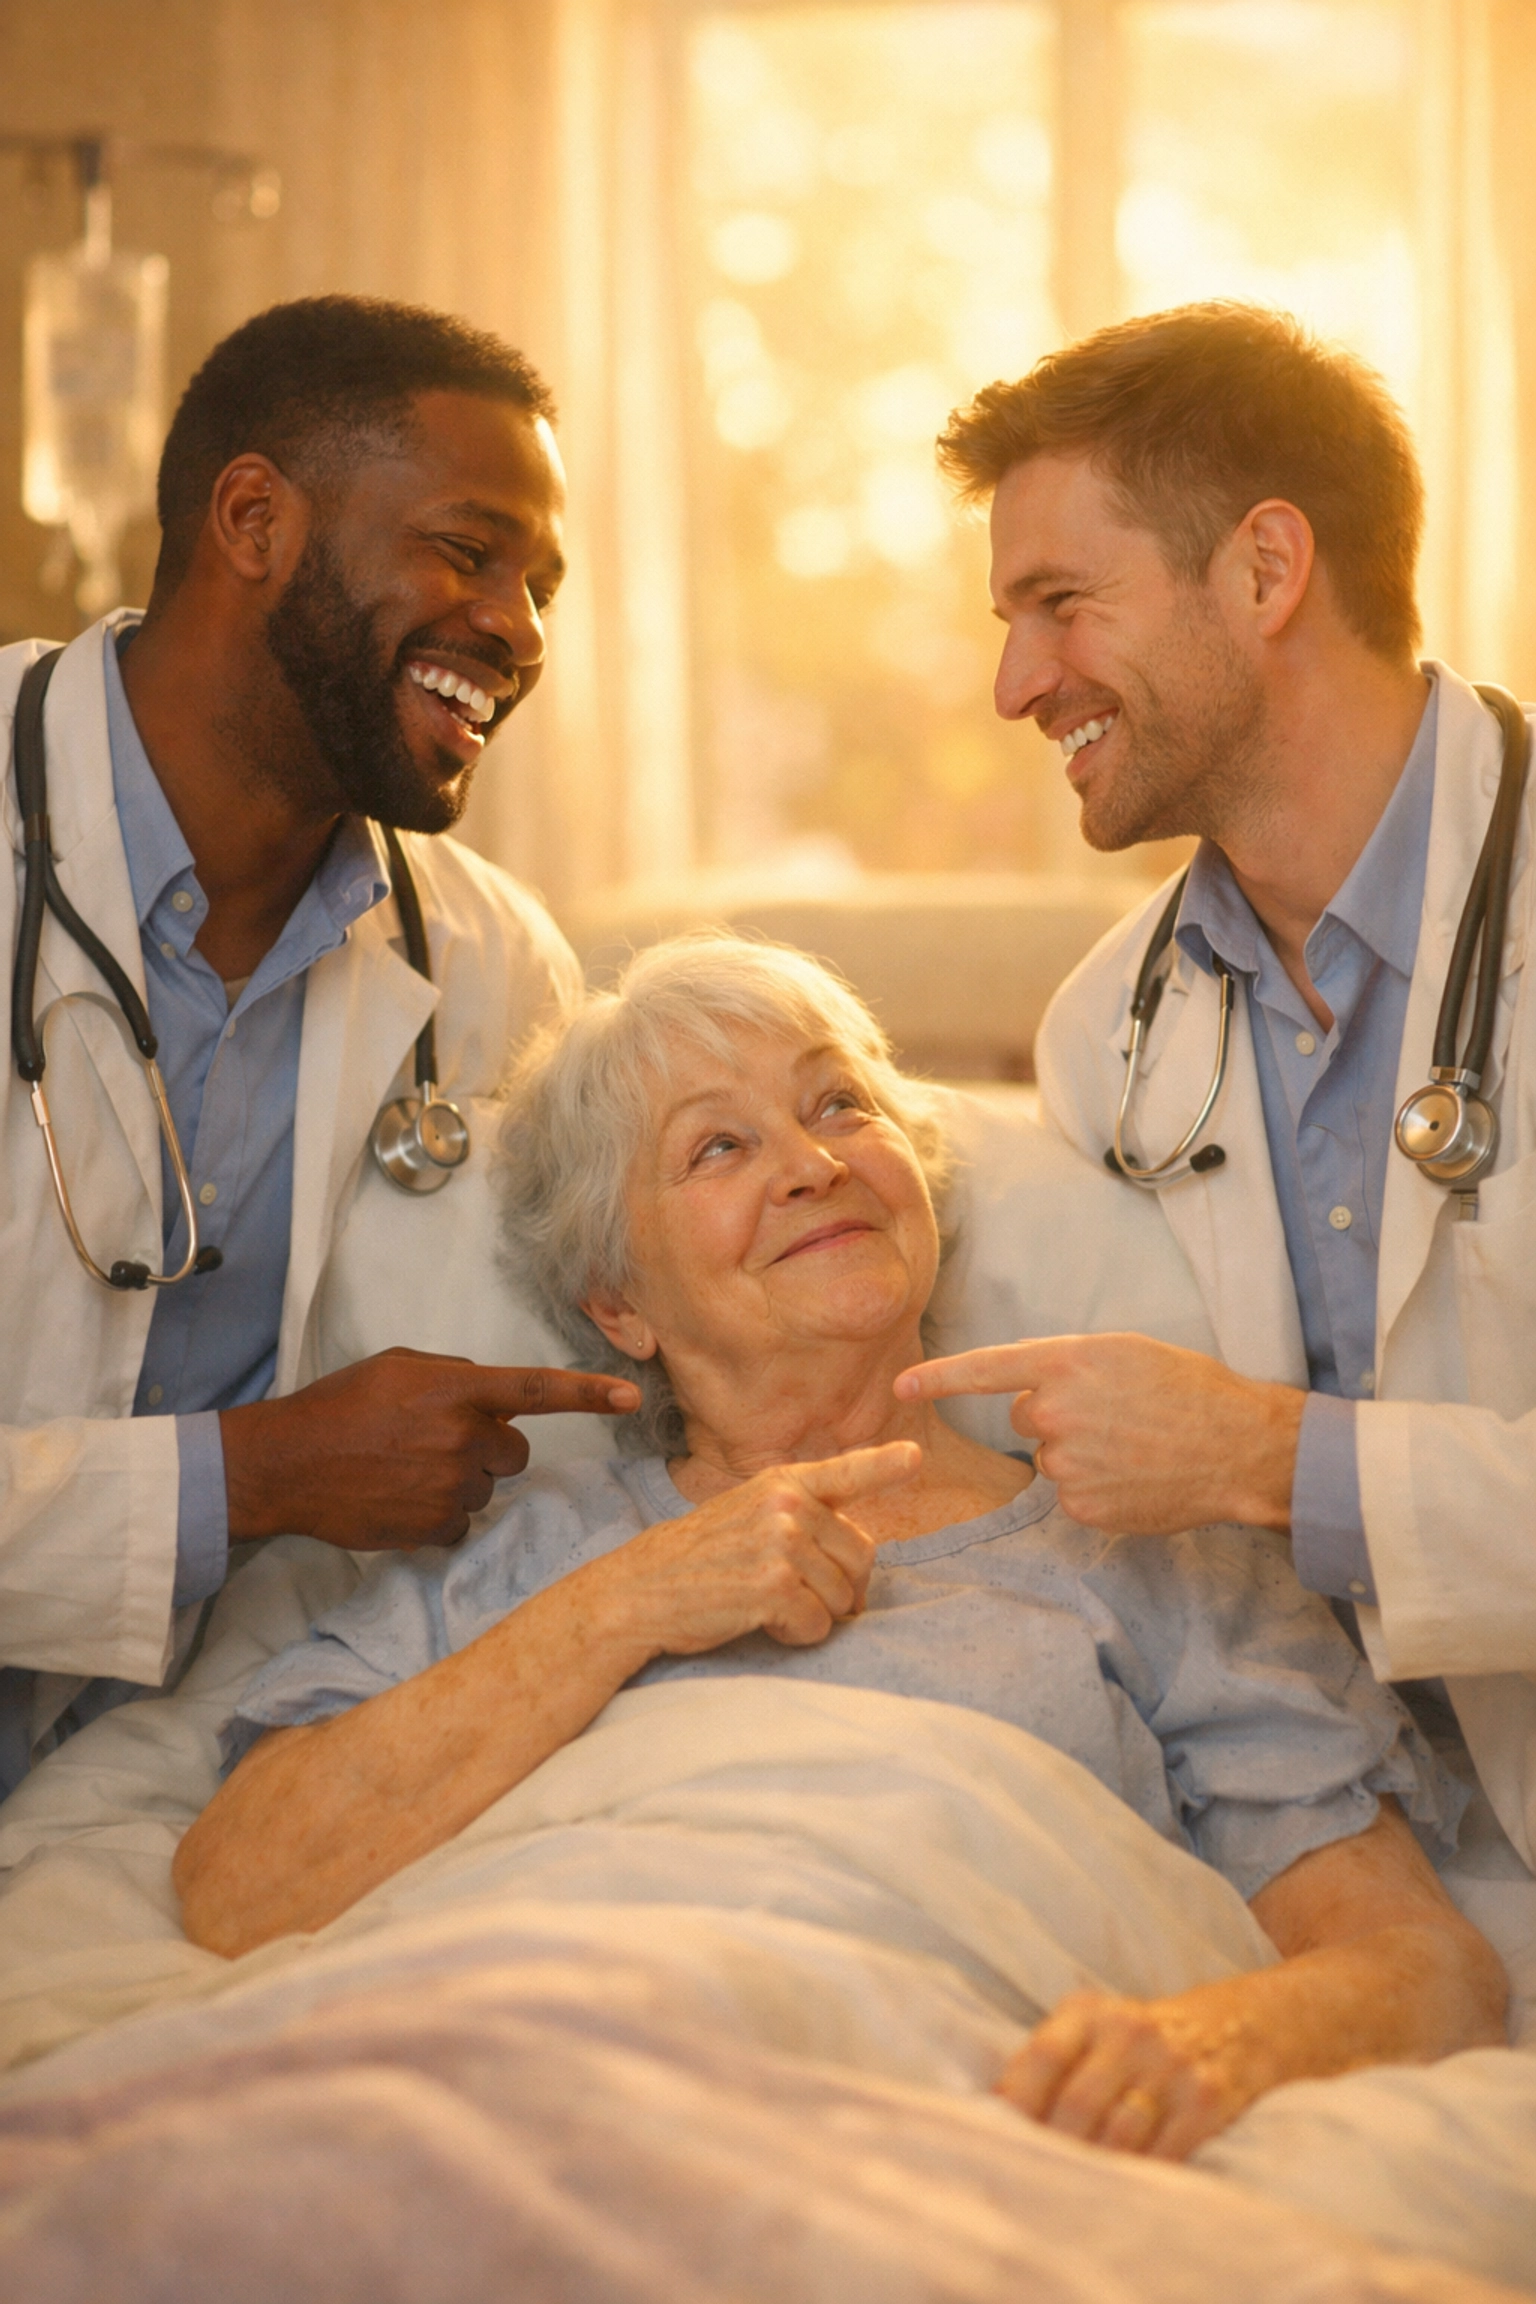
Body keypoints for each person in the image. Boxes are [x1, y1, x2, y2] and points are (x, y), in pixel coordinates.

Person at [175, 936, 1503, 2163]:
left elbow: (1423, 1966)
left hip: (938, 2132)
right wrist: (631, 1604)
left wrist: (1208, 2047)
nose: (811, 1165)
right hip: (534, 2100)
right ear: (618, 1302)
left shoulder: (1149, 1549)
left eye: (839, 1107)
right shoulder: (528, 1555)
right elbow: (241, 1888)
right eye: (717, 1150)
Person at [900, 304, 1536, 1871]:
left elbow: (1231, 1455)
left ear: (1265, 569)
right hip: (1327, 1824)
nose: (1013, 684)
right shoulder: (1106, 1032)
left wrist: (1265, 1456)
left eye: (1059, 603)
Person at [0, 295, 638, 1799]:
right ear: (253, 518)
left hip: (199, 1773)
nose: (522, 632)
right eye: (469, 553)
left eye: (542, 586)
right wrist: (260, 1478)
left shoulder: (484, 966)